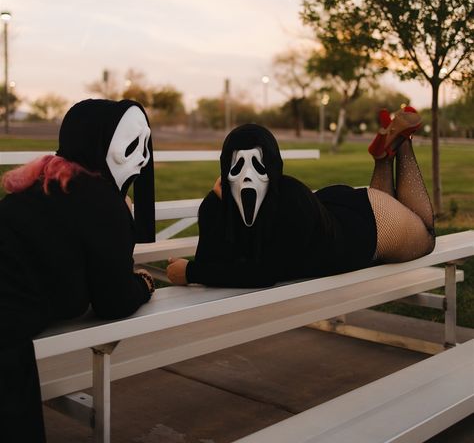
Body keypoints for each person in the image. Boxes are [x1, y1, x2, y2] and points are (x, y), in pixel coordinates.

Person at [0, 99, 157, 442]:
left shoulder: (45, 182)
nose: (143, 159)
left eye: (147, 145)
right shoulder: (101, 202)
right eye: (132, 146)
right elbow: (113, 300)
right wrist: (143, 285)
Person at [166, 107, 435, 288]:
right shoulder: (223, 203)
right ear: (225, 169)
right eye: (237, 167)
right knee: (401, 212)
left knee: (427, 233)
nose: (246, 177)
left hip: (370, 225)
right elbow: (211, 258)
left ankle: (403, 143)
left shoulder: (290, 200)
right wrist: (213, 206)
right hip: (338, 212)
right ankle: (384, 157)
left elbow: (265, 272)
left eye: (257, 166)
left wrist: (191, 273)